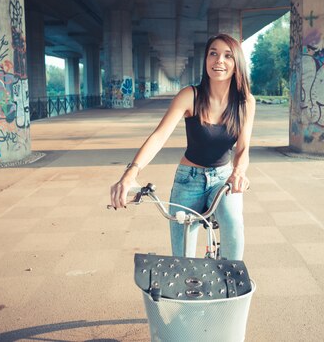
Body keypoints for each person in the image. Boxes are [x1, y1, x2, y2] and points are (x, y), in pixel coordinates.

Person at [110, 33, 256, 261]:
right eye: (213, 54)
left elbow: (243, 148)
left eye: (228, 56)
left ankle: (229, 289)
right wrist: (130, 173)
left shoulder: (245, 101)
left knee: (234, 230)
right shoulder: (190, 96)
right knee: (183, 259)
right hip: (189, 180)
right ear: (206, 60)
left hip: (223, 179)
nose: (219, 60)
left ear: (237, 63)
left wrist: (238, 172)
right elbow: (159, 136)